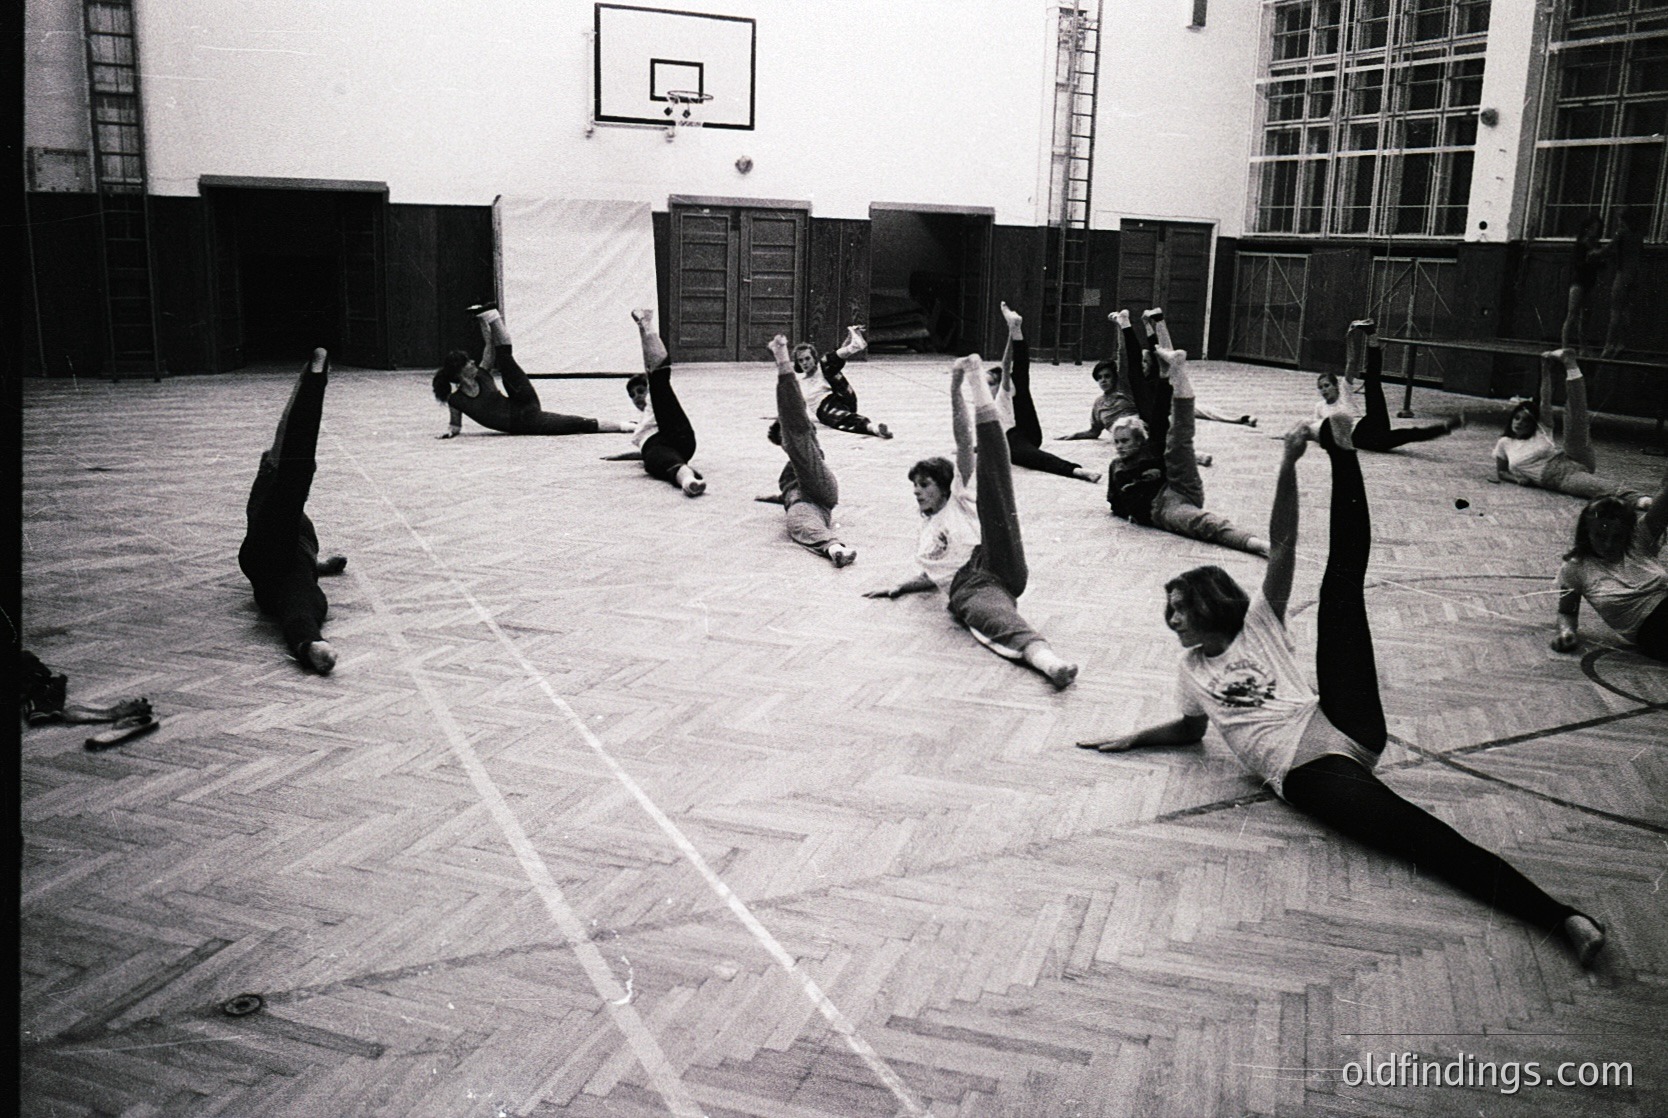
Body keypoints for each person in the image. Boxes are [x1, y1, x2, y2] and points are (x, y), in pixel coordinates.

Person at [1080, 415, 1609, 968]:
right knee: (1425, 840)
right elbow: (1191, 729)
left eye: (1179, 606)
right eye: (1169, 609)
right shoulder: (1190, 670)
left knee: (1341, 581)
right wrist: (1134, 737)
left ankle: (1343, 449)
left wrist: (1289, 464)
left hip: (1340, 718)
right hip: (1308, 774)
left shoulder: (1258, 621)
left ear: (1211, 601)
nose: (1172, 618)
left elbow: (1283, 543)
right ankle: (1562, 919)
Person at [865, 353, 1078, 689]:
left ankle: (979, 381)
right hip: (972, 586)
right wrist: (900, 586)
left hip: (994, 557)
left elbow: (964, 440)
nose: (918, 492)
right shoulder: (926, 530)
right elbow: (936, 574)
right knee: (998, 620)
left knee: (995, 492)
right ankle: (1052, 665)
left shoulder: (956, 499)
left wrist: (956, 386)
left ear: (942, 486)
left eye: (925, 485)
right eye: (915, 486)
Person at [1107, 312, 1269, 556]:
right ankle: (1259, 545)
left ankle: (1177, 369)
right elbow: (1115, 503)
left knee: (1178, 438)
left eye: (1124, 441)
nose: (1119, 447)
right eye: (1117, 442)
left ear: (1139, 442)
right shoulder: (1116, 467)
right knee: (1203, 523)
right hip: (1164, 506)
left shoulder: (1149, 445)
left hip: (1178, 483)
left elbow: (1162, 412)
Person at [238, 347, 348, 674]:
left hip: (267, 561)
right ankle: (310, 646)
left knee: (300, 599)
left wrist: (307, 382)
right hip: (288, 563)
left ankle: (306, 644)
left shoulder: (266, 493)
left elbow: (285, 435)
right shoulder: (273, 479)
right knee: (306, 599)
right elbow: (285, 434)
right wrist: (307, 383)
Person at [432, 306, 635, 438]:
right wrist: (449, 433)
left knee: (505, 358)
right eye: (468, 362)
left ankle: (492, 315)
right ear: (459, 372)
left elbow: (489, 345)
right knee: (576, 423)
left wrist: (481, 320)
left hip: (523, 400)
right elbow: (455, 427)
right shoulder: (456, 400)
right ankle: (628, 426)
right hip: (527, 421)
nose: (473, 362)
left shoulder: (482, 375)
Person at [1064, 309, 1254, 444]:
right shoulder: (1101, 403)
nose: (1104, 380)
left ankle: (1238, 419)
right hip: (1148, 416)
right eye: (1100, 378)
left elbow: (1129, 355)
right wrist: (1070, 436)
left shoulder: (1127, 387)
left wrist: (1139, 325)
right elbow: (1094, 430)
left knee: (1198, 408)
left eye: (1107, 376)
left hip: (1157, 408)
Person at [1493, 349, 1651, 507]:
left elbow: (1545, 400)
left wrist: (1545, 370)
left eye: (1526, 421)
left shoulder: (1541, 430)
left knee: (1574, 415)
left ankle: (1570, 363)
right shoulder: (1505, 443)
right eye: (1517, 418)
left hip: (1572, 456)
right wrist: (1517, 479)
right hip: (1560, 476)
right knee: (1597, 487)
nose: (1519, 423)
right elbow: (1501, 472)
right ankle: (1641, 500)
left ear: (1534, 424)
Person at [759, 333, 857, 566]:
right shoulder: (788, 473)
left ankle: (782, 361)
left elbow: (797, 420)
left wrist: (783, 361)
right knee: (798, 525)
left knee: (798, 434)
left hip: (819, 484)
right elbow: (791, 490)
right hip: (816, 505)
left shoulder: (805, 443)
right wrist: (777, 497)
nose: (784, 444)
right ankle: (835, 549)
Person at [1553, 469, 1668, 660]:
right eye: (1600, 536)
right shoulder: (1575, 568)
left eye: (1617, 537)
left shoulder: (1638, 541)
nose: (1608, 544)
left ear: (1628, 533)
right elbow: (1567, 612)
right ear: (1586, 532)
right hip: (1653, 633)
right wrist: (1567, 633)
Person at [989, 303, 1100, 483]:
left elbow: (1006, 364)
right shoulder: (991, 405)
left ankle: (1077, 471)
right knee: (1022, 383)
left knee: (1019, 379)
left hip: (1017, 439)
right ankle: (1017, 330)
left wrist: (1012, 331)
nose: (987, 388)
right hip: (1029, 433)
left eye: (990, 384)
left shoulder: (1001, 397)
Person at [1314, 320, 1461, 452]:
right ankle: (1444, 428)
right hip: (1359, 439)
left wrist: (1350, 337)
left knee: (1373, 384)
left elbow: (1351, 362)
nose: (1324, 390)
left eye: (1326, 385)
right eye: (1321, 388)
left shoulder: (1344, 392)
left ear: (1336, 386)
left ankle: (1371, 334)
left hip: (1368, 423)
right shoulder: (1320, 407)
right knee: (1405, 435)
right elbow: (1317, 431)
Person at [602, 309, 706, 497]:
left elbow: (649, 366)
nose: (637, 397)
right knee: (665, 462)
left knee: (658, 378)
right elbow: (642, 452)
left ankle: (646, 323)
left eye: (641, 391)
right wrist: (621, 457)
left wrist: (643, 328)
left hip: (675, 433)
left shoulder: (653, 402)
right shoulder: (642, 424)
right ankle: (689, 481)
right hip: (674, 446)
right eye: (633, 395)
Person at [793, 327, 891, 438]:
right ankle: (874, 428)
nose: (804, 363)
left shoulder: (823, 368)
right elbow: (798, 407)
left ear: (814, 358)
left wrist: (851, 333)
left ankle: (854, 345)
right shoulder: (799, 383)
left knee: (826, 362)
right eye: (800, 360)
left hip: (843, 397)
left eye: (807, 358)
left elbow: (838, 355)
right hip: (825, 409)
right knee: (845, 418)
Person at [1560, 215, 1605, 351]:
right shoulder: (1581, 245)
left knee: (1585, 317)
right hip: (1579, 282)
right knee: (1572, 314)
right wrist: (1591, 260)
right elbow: (1577, 264)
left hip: (1590, 282)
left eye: (1596, 229)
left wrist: (1598, 261)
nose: (1594, 231)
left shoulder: (1596, 245)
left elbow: (1601, 264)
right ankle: (1565, 346)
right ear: (1586, 229)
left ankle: (1583, 347)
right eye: (1592, 228)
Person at [1601, 209, 1641, 358]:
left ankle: (1608, 345)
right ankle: (1621, 343)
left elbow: (1608, 249)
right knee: (1626, 311)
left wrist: (1594, 253)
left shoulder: (1621, 233)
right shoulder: (1638, 235)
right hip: (1635, 274)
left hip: (1623, 273)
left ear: (1623, 220)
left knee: (1615, 310)